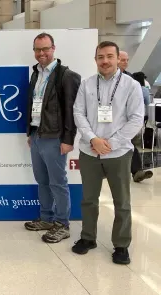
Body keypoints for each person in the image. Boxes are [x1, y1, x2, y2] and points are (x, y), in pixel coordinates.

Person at [72, 41, 144, 265]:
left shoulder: (131, 86)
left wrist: (110, 143)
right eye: (100, 57)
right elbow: (78, 113)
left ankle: (121, 245)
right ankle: (88, 238)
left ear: (117, 59)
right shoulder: (86, 84)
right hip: (90, 151)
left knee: (121, 202)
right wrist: (93, 139)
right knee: (88, 200)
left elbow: (136, 119)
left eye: (109, 56)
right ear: (95, 60)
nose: (105, 61)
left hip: (118, 153)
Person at [24, 33, 81, 243]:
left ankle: (62, 224)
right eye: (38, 50)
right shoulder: (35, 73)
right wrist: (30, 132)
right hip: (37, 134)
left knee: (58, 183)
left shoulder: (66, 76)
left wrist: (68, 139)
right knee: (42, 181)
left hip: (55, 137)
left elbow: (71, 110)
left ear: (53, 49)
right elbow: (32, 104)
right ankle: (46, 218)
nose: (41, 53)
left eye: (45, 49)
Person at [130, 71, 153, 182]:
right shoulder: (143, 89)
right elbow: (148, 103)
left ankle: (137, 171)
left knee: (128, 145)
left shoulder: (129, 80)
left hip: (129, 121)